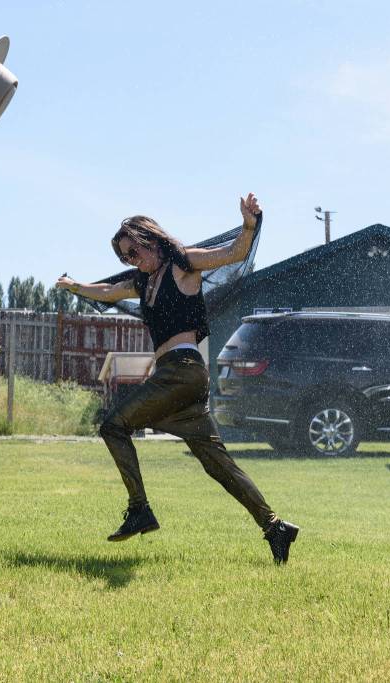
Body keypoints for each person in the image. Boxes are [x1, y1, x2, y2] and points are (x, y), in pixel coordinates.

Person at [56, 194, 299, 564]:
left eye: (133, 252)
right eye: (125, 258)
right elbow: (106, 291)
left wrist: (249, 224)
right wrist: (74, 285)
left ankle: (139, 508)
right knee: (218, 464)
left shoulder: (182, 263)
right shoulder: (143, 282)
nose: (131, 261)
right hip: (182, 380)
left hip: (181, 372)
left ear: (148, 238)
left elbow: (232, 253)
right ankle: (275, 526)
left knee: (114, 425)